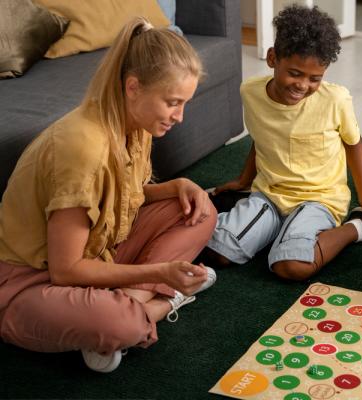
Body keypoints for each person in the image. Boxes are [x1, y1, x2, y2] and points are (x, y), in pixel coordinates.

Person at [0, 17, 218, 373]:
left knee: (201, 210)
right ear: (133, 87)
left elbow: (116, 198)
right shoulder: (82, 148)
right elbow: (65, 270)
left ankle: (129, 303)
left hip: (100, 251)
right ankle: (159, 306)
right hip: (29, 284)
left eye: (184, 103)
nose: (179, 116)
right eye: (173, 103)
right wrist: (161, 274)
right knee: (122, 325)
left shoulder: (136, 122)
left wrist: (175, 187)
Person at [204, 5, 362, 281]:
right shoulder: (250, 92)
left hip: (320, 198)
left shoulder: (336, 100)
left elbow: (354, 145)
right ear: (272, 58)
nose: (302, 85)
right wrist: (244, 179)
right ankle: (252, 209)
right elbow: (262, 137)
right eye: (294, 73)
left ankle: (359, 227)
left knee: (290, 266)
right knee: (218, 252)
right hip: (269, 192)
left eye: (314, 78)